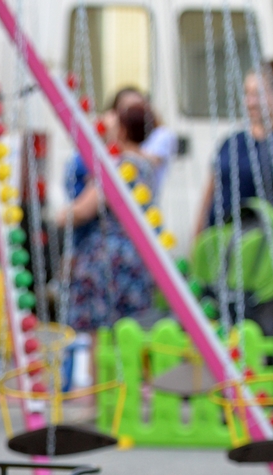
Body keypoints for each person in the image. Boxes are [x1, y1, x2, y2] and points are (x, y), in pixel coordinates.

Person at [56, 101, 157, 333]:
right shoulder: (147, 164)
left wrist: (61, 216)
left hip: (109, 258)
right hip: (137, 254)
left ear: (122, 130)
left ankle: (93, 370)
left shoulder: (120, 165)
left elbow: (84, 210)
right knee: (127, 332)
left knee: (98, 331)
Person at [195, 61, 273, 235]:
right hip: (219, 240)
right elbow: (208, 196)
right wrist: (196, 237)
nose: (250, 102)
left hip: (260, 247)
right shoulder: (231, 142)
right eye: (247, 94)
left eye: (257, 95)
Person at [67, 87, 177, 203]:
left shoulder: (128, 162)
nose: (134, 112)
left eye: (137, 108)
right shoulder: (121, 157)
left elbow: (84, 209)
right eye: (126, 109)